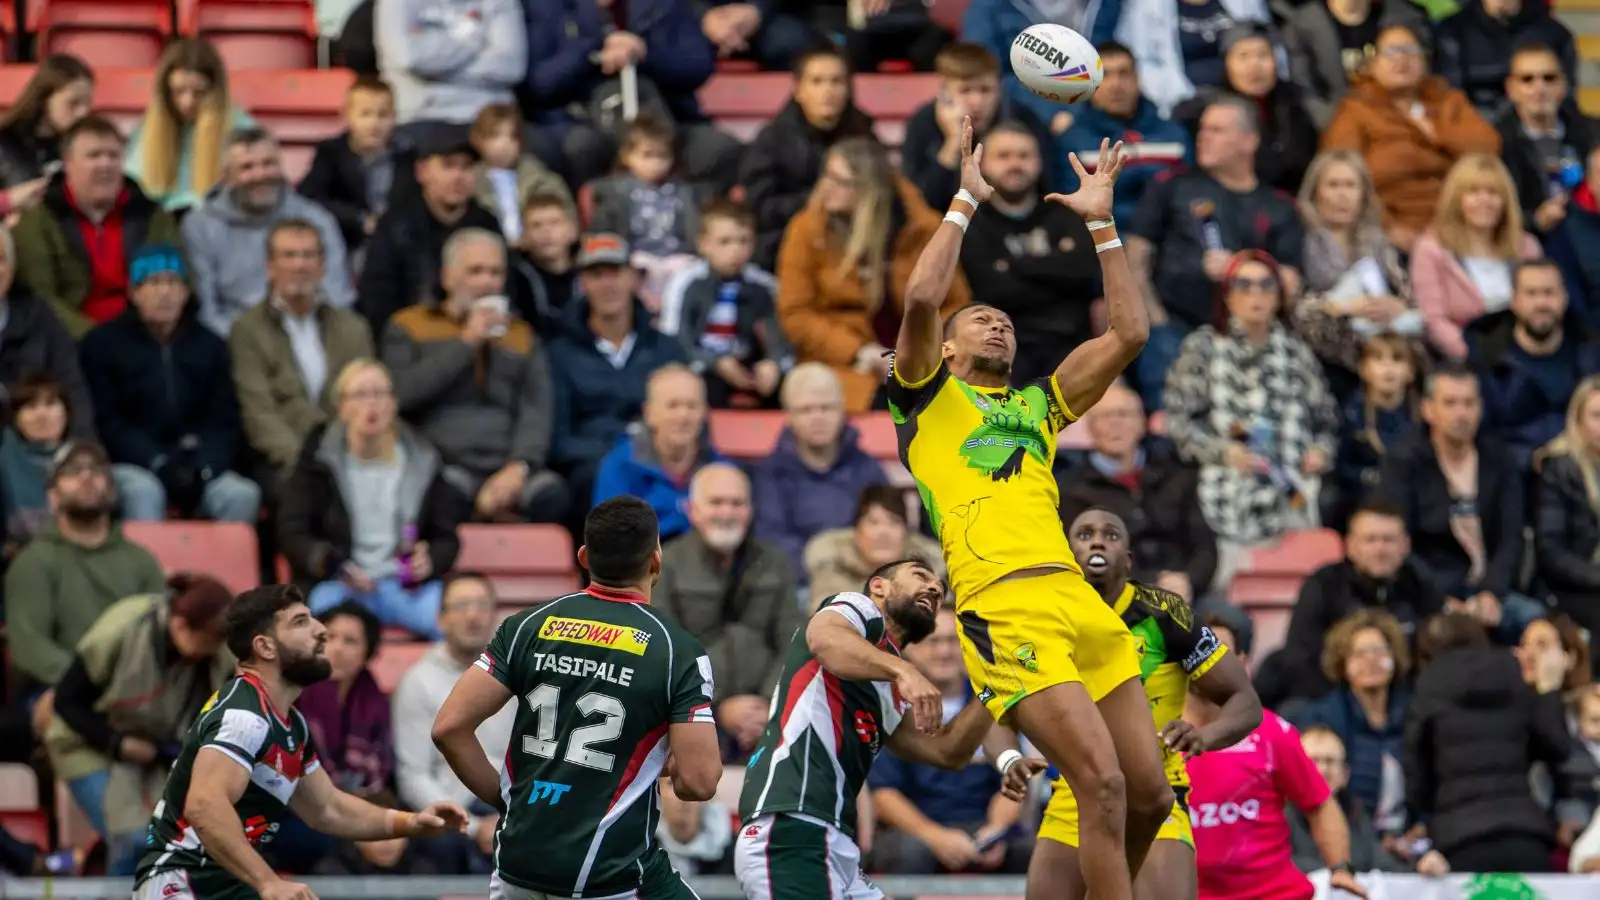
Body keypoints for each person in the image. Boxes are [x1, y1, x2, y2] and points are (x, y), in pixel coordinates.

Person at [887, 118, 1169, 900]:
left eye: (1004, 320)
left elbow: (1131, 332)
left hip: (1077, 600)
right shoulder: (927, 403)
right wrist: (965, 202)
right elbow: (918, 295)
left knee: (1149, 795)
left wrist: (1102, 223)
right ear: (945, 351)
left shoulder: (1038, 408)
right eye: (979, 318)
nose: (998, 319)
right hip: (1005, 605)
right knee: (1101, 786)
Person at [430, 496, 724, 899]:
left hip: (517, 863)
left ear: (584, 557)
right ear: (655, 561)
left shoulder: (526, 625)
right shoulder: (677, 651)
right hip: (608, 874)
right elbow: (700, 781)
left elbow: (449, 728)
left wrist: (508, 803)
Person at [131, 584, 469, 900]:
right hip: (182, 885)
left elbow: (327, 808)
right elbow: (204, 806)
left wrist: (411, 822)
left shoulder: (290, 724)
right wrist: (269, 883)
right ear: (265, 646)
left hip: (227, 887)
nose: (320, 630)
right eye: (300, 622)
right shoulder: (243, 716)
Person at [991, 507, 1261, 900]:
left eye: (1111, 535)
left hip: (1155, 794)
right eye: (1084, 534)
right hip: (1075, 797)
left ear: (1129, 560)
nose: (1097, 541)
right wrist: (1009, 760)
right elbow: (995, 709)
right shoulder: (1039, 621)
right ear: (1065, 553)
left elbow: (1245, 700)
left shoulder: (1166, 614)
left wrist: (1205, 734)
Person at [734, 557, 1002, 899]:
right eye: (920, 576)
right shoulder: (856, 609)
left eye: (939, 588)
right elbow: (824, 638)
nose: (935, 588)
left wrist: (995, 688)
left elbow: (945, 752)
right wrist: (905, 671)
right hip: (792, 828)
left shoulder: (889, 681)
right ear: (879, 586)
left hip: (833, 844)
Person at [1184, 629, 1368, 900]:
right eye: (1197, 650)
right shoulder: (1152, 736)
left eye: (1219, 652)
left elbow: (1319, 803)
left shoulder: (1271, 732)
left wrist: (1340, 867)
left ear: (1241, 661)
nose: (1207, 660)